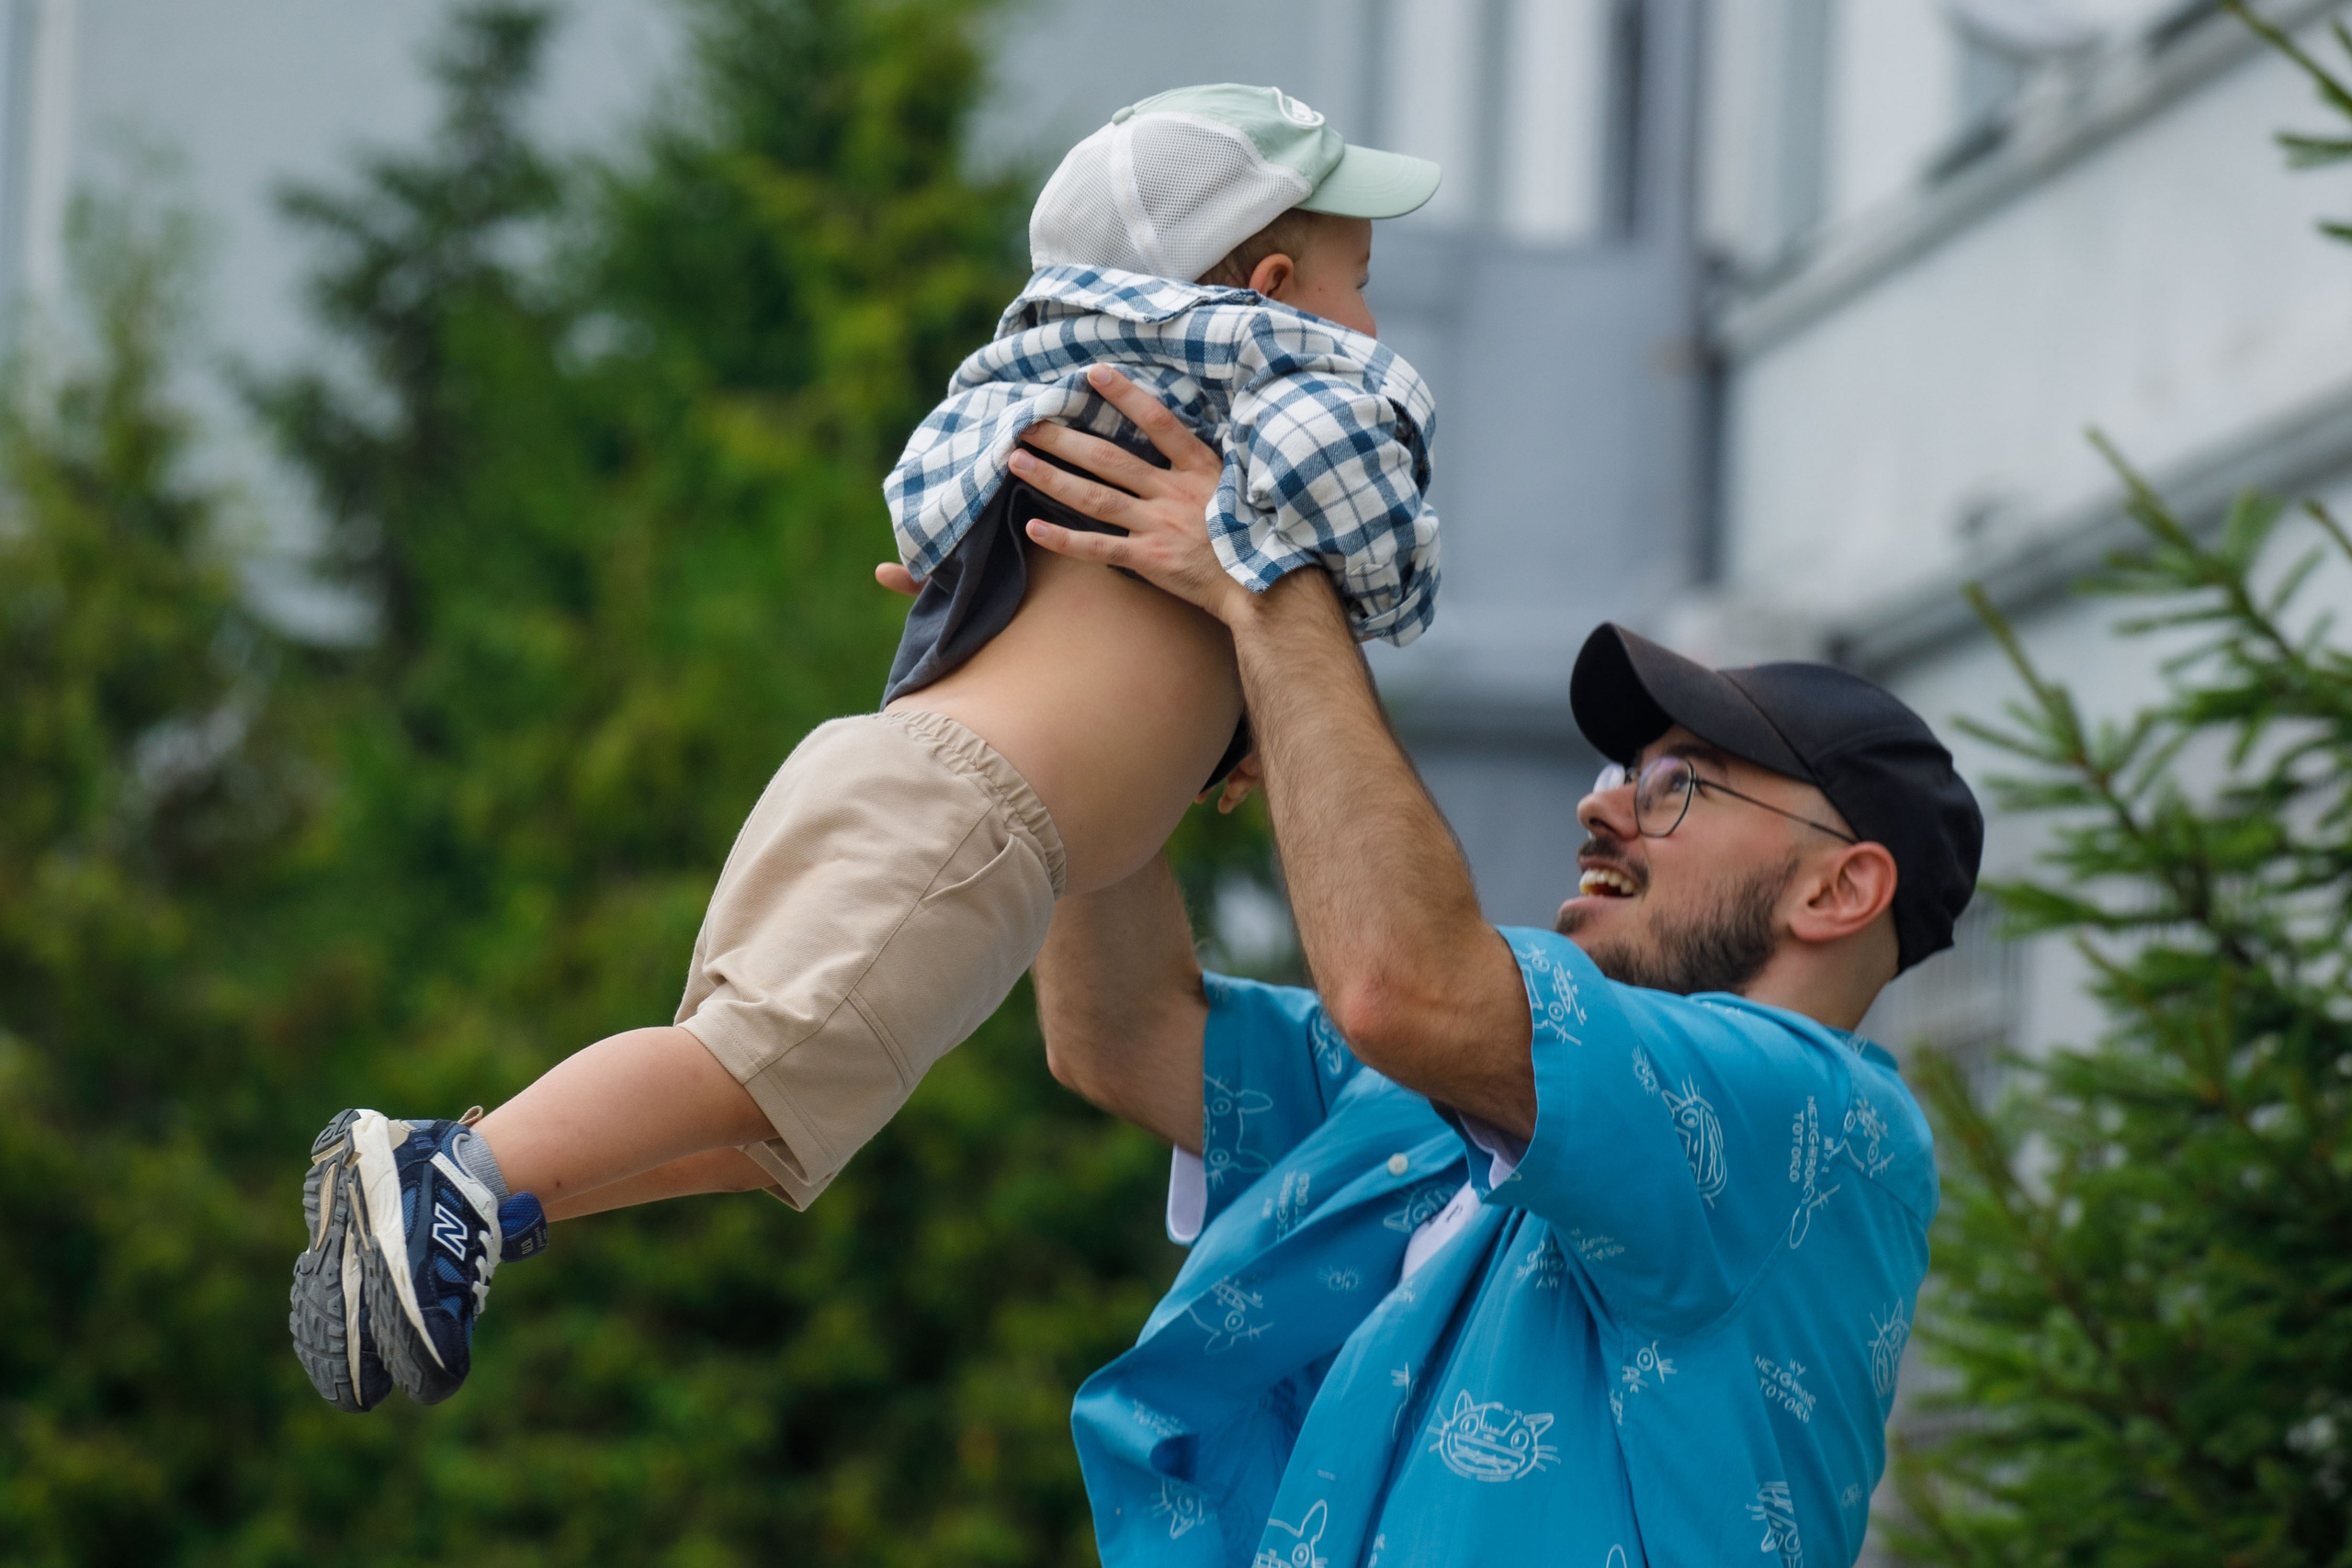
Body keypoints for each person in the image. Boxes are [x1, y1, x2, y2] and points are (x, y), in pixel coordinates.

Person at [287, 85, 1446, 1416]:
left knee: (762, 1124)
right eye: (1363, 288)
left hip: (933, 800)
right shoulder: (1285, 392)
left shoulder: (1094, 404)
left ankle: (487, 1199)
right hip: (966, 817)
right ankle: (448, 1182)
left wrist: (1227, 708)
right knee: (740, 1071)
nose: (1371, 331)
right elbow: (1381, 546)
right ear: (1276, 284)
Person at [1012, 372, 1984, 1565]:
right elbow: (1123, 1030)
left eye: (1677, 783)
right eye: (1617, 771)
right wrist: (1087, 636)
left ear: (1839, 890)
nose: (1601, 805)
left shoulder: (1817, 1120)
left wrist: (1267, 584)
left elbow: (1403, 987)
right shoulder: (1477, 1110)